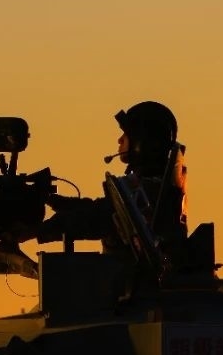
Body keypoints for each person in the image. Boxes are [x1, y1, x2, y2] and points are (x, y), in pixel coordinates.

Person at [32, 101, 188, 258]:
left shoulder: (145, 192)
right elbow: (99, 209)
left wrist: (37, 230)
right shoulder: (153, 188)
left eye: (127, 135)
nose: (120, 140)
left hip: (127, 273)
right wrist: (53, 200)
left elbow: (98, 218)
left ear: (143, 141)